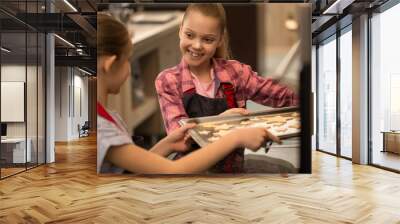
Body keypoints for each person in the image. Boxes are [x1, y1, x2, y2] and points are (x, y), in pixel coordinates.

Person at [97, 14, 281, 174]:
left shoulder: (107, 117)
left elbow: (135, 168)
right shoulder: (103, 131)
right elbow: (173, 170)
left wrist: (167, 144)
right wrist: (236, 137)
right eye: (128, 59)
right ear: (110, 64)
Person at [155, 3, 298, 173]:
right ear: (180, 30)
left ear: (220, 39)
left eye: (208, 39)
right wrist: (222, 121)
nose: (197, 45)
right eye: (190, 35)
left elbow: (280, 96)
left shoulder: (236, 72)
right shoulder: (168, 81)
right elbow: (181, 137)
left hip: (233, 172)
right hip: (191, 177)